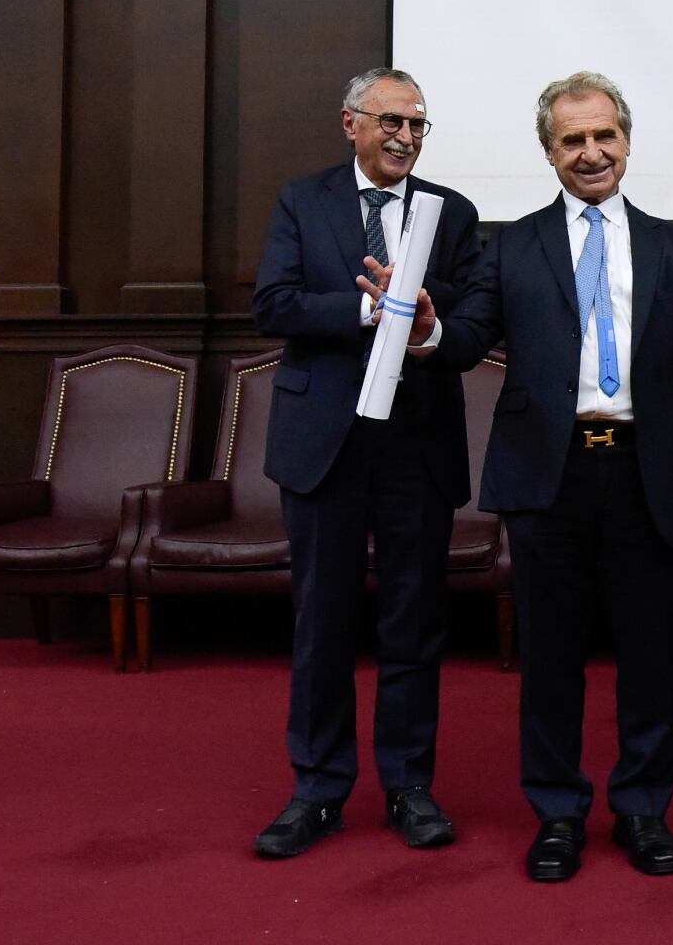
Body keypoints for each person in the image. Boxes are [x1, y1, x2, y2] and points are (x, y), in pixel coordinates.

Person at [412, 72, 673, 883]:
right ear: (549, 152)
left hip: (645, 472)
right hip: (546, 477)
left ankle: (642, 809)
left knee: (650, 655)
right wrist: (428, 327)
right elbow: (467, 337)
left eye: (604, 137)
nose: (591, 153)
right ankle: (556, 814)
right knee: (549, 657)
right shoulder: (511, 244)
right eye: (572, 141)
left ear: (626, 140)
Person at [250, 67, 481, 858]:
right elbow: (272, 304)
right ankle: (316, 789)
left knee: (414, 624)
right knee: (323, 623)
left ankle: (409, 786)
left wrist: (418, 315)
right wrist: (364, 307)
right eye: (391, 122)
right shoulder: (301, 200)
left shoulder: (452, 212)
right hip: (325, 444)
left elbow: (471, 306)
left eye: (418, 126)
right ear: (350, 123)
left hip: (415, 443)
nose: (406, 138)